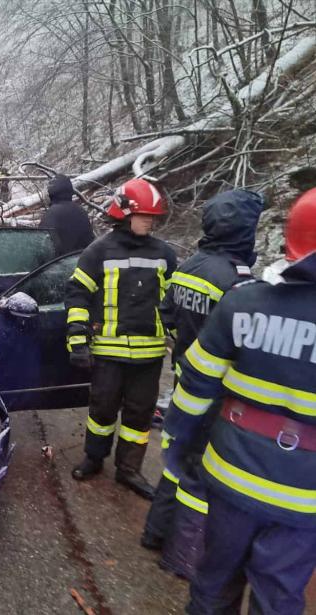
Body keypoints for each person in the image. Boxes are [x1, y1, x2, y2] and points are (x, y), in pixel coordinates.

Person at [162, 188, 316, 614]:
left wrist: (177, 443)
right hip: (306, 497)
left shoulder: (244, 302)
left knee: (213, 584)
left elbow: (194, 387)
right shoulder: (234, 284)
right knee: (279, 598)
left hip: (231, 473)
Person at [141, 190, 264, 580]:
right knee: (200, 474)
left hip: (185, 379)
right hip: (217, 393)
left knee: (175, 460)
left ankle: (155, 531)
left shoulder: (189, 266)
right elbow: (245, 346)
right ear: (245, 231)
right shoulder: (238, 283)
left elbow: (167, 314)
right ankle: (182, 555)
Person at [66, 178, 177, 499]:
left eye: (153, 216)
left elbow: (174, 304)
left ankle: (129, 469)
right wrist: (78, 341)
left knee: (139, 417)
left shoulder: (165, 254)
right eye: (145, 215)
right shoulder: (98, 251)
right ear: (124, 213)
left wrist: (182, 344)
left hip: (149, 356)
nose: (150, 221)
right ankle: (94, 457)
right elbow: (77, 295)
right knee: (102, 411)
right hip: (108, 353)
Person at [40, 175, 94, 255]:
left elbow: (43, 245)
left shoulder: (51, 214)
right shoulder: (81, 211)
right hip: (84, 258)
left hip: (62, 261)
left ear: (50, 193)